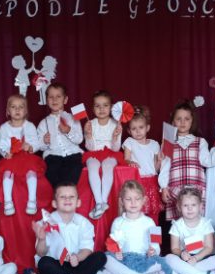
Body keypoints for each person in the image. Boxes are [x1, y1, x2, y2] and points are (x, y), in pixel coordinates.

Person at [33, 182, 107, 274]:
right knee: (43, 263)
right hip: (57, 265)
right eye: (62, 197)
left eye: (71, 197)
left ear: (78, 202)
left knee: (100, 257)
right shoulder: (46, 223)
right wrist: (42, 239)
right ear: (54, 203)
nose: (67, 199)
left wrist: (78, 257)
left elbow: (87, 249)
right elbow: (41, 253)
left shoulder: (84, 223)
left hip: (77, 263)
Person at [98, 180, 172, 274]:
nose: (133, 203)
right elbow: (113, 245)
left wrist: (153, 251)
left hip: (143, 260)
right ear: (122, 201)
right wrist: (116, 253)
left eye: (137, 199)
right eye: (128, 199)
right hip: (124, 260)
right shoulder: (117, 222)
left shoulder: (150, 222)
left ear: (144, 200)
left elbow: (156, 247)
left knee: (161, 263)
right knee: (106, 258)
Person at [159, 100, 215, 220]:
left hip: (196, 190)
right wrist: (164, 187)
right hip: (176, 191)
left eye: (186, 119)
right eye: (179, 119)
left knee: (196, 222)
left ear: (192, 121)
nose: (182, 122)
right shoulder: (168, 143)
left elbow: (207, 161)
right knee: (179, 224)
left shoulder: (200, 142)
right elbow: (165, 167)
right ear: (173, 122)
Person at [0, 94, 44, 216]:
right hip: (12, 158)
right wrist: (6, 152)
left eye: (21, 107)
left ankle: (32, 200)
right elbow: (1, 144)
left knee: (31, 172)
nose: (17, 110)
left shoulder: (29, 126)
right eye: (13, 107)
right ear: (8, 111)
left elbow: (36, 142)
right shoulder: (4, 127)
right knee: (7, 173)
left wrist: (30, 147)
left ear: (25, 111)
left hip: (27, 157)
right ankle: (8, 201)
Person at [165, 187, 215, 274]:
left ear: (200, 206)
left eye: (193, 205)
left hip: (201, 257)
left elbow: (209, 247)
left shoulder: (205, 224)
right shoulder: (176, 225)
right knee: (168, 258)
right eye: (185, 205)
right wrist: (181, 253)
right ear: (179, 207)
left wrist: (196, 258)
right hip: (184, 258)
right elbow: (174, 248)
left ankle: (182, 272)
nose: (190, 208)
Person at [82, 90, 123, 219]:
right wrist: (88, 134)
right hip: (94, 153)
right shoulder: (90, 124)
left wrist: (115, 137)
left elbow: (116, 149)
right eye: (97, 106)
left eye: (105, 105)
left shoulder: (116, 124)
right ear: (93, 108)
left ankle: (104, 200)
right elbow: (89, 147)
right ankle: (99, 202)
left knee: (107, 166)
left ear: (111, 107)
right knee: (92, 167)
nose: (101, 109)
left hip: (110, 153)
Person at [35, 83, 84, 188]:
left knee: (75, 168)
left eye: (58, 96)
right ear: (47, 100)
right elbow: (39, 145)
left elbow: (79, 139)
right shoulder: (43, 123)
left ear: (65, 100)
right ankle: (59, 193)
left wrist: (68, 131)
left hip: (73, 154)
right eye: (51, 97)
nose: (54, 100)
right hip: (53, 155)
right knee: (51, 171)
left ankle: (69, 192)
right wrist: (44, 141)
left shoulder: (73, 118)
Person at [122, 106, 163, 222]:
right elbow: (125, 159)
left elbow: (156, 168)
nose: (138, 131)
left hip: (152, 181)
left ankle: (154, 233)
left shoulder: (154, 144)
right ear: (129, 131)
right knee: (137, 210)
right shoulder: (129, 142)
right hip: (137, 181)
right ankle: (137, 232)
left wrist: (160, 160)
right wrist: (130, 162)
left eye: (141, 127)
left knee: (153, 211)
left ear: (147, 127)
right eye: (134, 128)